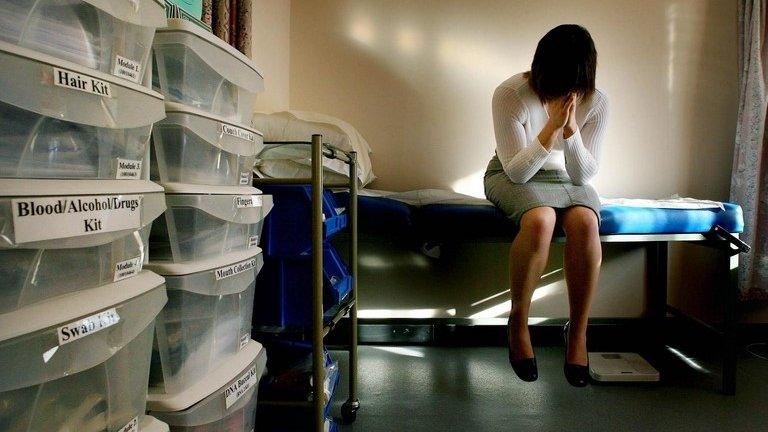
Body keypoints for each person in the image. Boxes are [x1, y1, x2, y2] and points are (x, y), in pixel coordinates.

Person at [484, 24, 609, 387]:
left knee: (586, 223)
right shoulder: (510, 94)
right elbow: (517, 173)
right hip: (512, 172)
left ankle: (578, 333)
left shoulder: (596, 101)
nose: (567, 91)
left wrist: (569, 131)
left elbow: (584, 175)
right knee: (540, 220)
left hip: (567, 178)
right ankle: (518, 322)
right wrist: (549, 127)